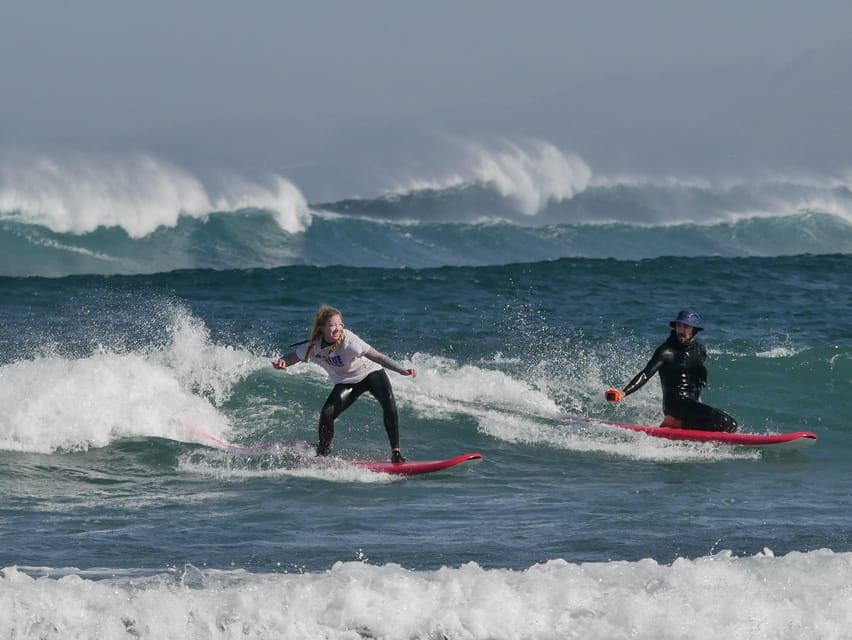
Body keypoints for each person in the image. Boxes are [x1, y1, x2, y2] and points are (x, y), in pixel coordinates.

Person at [272, 305, 416, 462]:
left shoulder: (349, 341)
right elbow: (292, 357)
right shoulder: (314, 347)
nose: (338, 328)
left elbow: (378, 357)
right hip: (347, 382)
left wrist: (401, 370)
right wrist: (282, 362)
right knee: (327, 414)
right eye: (333, 325)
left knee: (388, 402)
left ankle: (396, 453)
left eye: (340, 324)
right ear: (322, 327)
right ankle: (323, 452)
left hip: (371, 373)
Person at [604, 308, 739, 432]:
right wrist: (623, 393)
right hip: (675, 405)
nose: (681, 330)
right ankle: (676, 422)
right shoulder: (666, 351)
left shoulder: (700, 350)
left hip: (690, 404)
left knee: (728, 426)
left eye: (686, 327)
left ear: (694, 330)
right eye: (679, 326)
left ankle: (679, 423)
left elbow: (696, 379)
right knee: (727, 423)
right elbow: (646, 374)